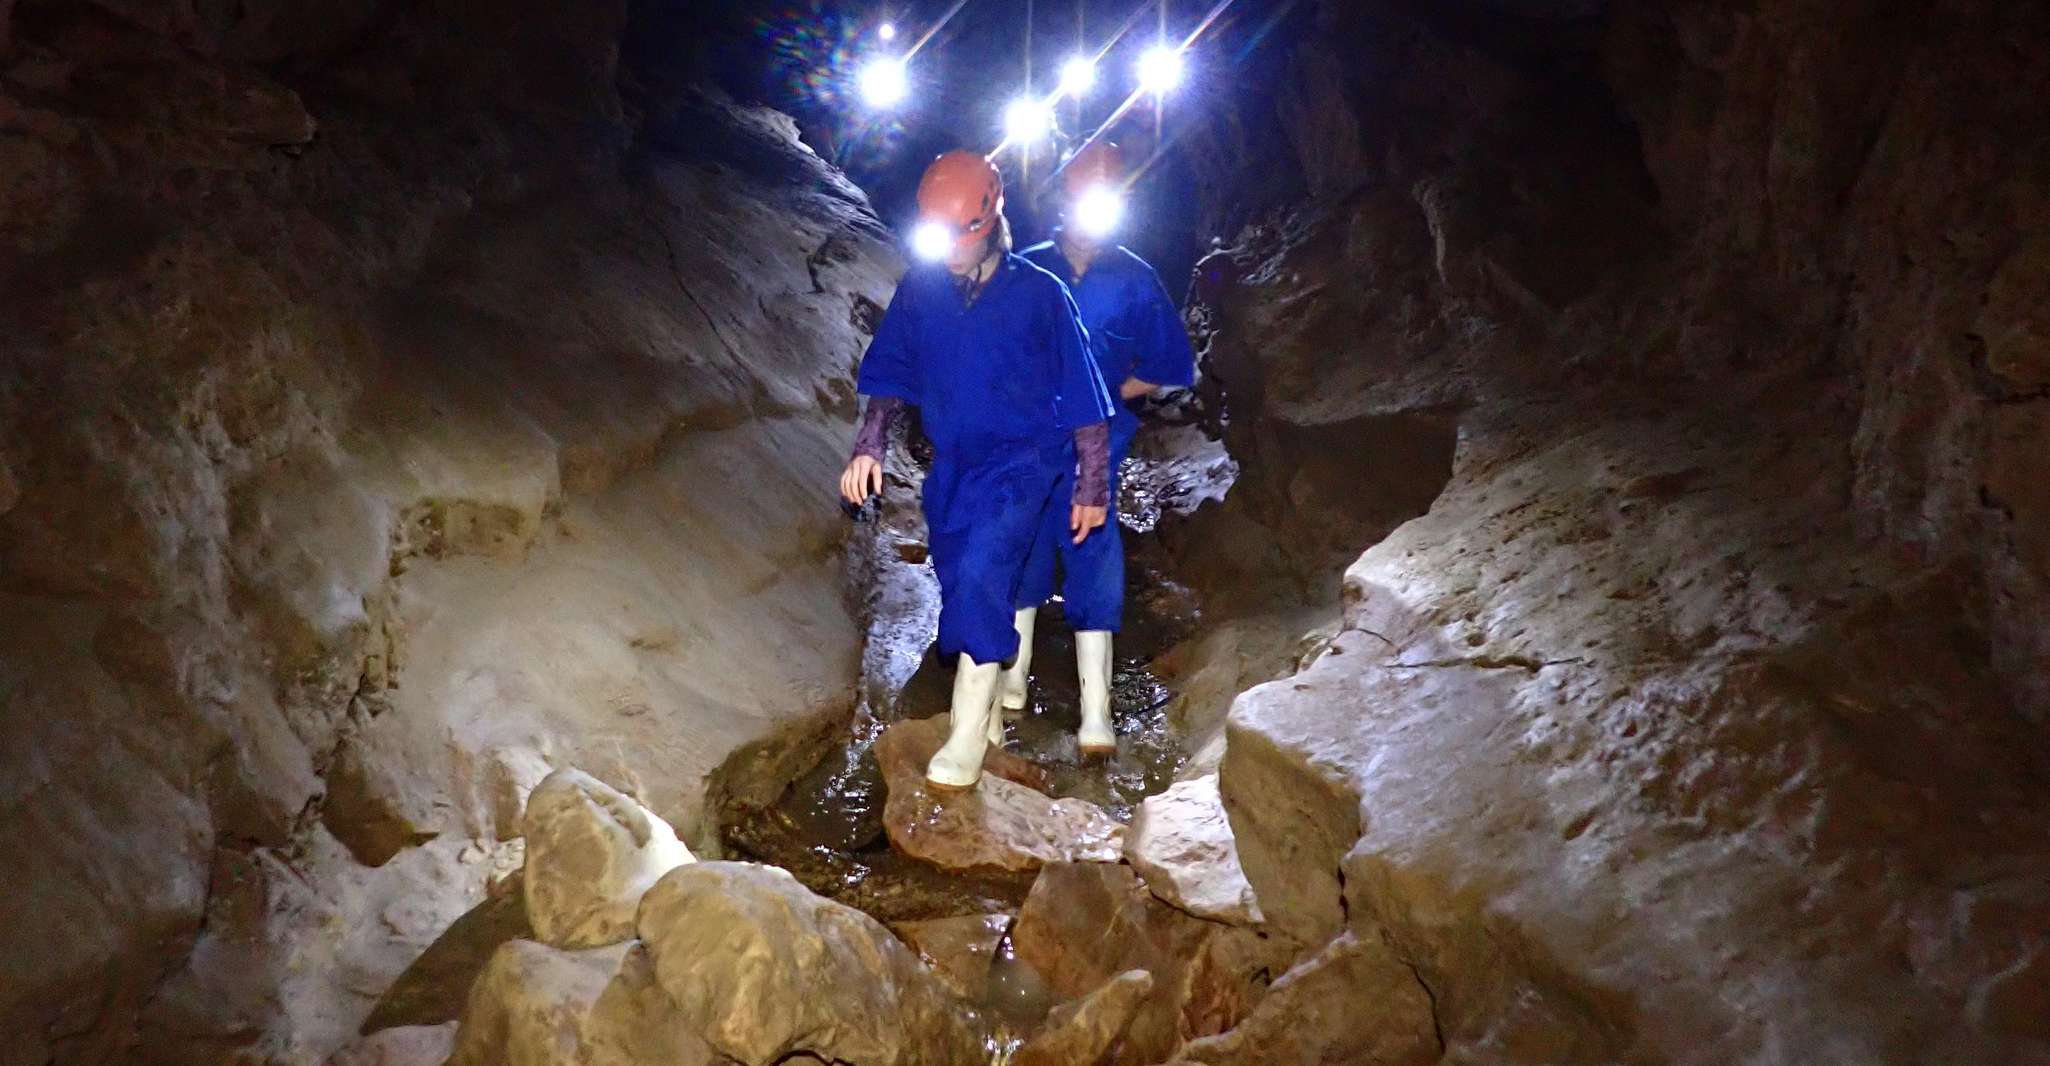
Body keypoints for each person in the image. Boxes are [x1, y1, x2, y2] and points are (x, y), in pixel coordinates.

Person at [839, 149, 1116, 790]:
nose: (949, 250)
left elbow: (1085, 397)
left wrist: (1092, 485)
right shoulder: (921, 289)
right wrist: (869, 446)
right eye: (937, 235)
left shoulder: (1040, 297)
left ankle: (966, 735)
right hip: (955, 462)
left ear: (988, 221)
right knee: (959, 568)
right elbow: (893, 374)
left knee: (985, 570)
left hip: (1025, 460)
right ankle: (990, 709)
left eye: (959, 235)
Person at [1007, 140, 1198, 755]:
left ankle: (1095, 714)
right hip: (1032, 446)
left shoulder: (1136, 278)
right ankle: (1009, 690)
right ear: (1062, 200)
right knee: (1023, 552)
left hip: (1101, 451)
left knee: (1093, 557)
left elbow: (1172, 363)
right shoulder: (1026, 270)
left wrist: (1109, 396)